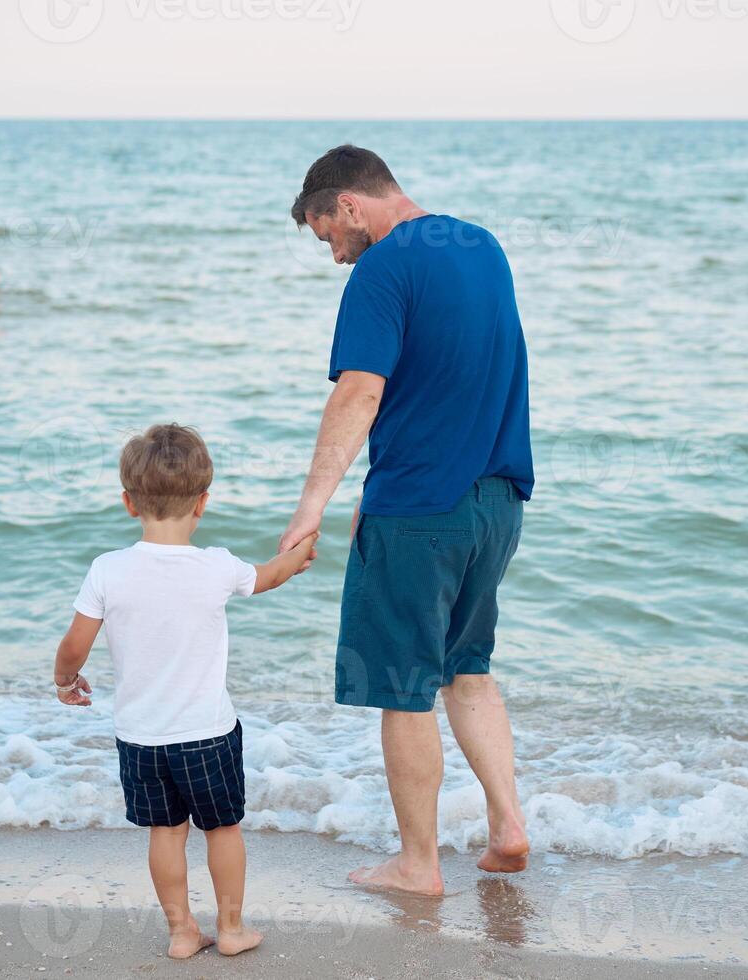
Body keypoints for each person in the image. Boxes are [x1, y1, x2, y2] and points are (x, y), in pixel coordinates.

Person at [279, 146, 535, 896]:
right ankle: (508, 827)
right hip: (496, 503)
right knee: (470, 673)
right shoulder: (480, 246)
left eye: (329, 234)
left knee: (402, 688)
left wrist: (311, 504)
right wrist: (384, 477)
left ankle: (419, 865)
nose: (334, 254)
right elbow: (462, 372)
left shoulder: (381, 268)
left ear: (351, 207)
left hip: (421, 511)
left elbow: (361, 391)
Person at [53, 423, 318, 958]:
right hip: (207, 734)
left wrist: (65, 680)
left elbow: (74, 645)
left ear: (129, 502)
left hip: (140, 738)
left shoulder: (108, 570)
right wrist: (302, 547)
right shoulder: (216, 565)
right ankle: (233, 929)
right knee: (222, 830)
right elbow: (268, 576)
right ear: (203, 503)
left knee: (166, 834)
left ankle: (180, 932)